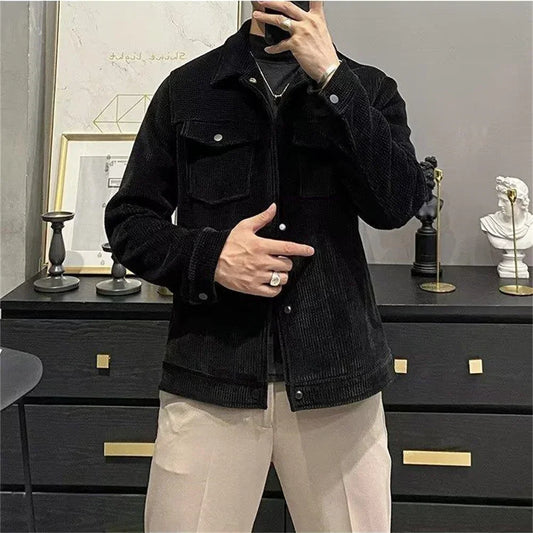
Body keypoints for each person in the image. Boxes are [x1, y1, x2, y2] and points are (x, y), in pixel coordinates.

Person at [104, 1, 430, 531]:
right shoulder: (187, 90)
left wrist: (332, 78)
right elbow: (129, 222)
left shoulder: (368, 89)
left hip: (337, 384)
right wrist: (211, 257)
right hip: (212, 380)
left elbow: (396, 205)